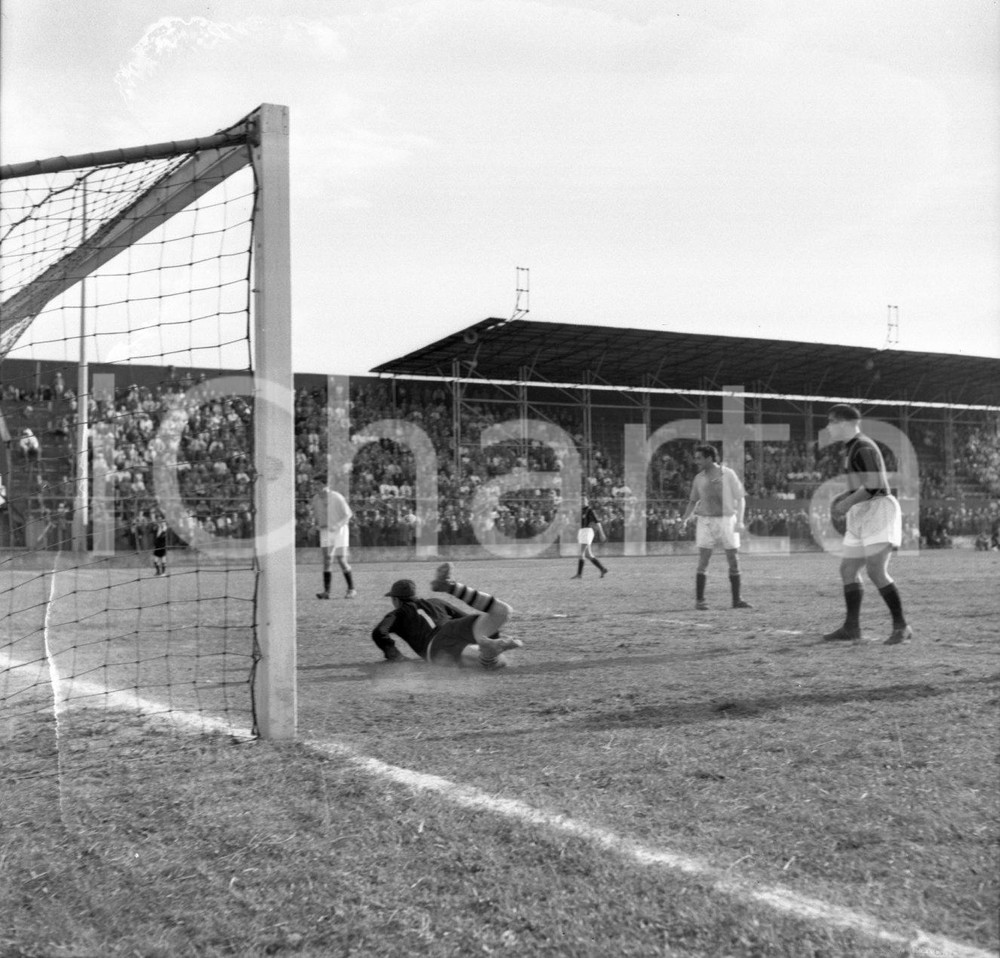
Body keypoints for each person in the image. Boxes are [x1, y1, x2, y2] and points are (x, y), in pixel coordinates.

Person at [824, 404, 912, 645]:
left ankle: (902, 626)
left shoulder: (862, 446)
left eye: (831, 421)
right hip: (862, 510)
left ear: (844, 422)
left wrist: (846, 502)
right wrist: (847, 500)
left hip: (878, 509)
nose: (828, 427)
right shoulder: (851, 448)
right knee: (847, 570)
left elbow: (876, 486)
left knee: (875, 569)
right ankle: (852, 627)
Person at [371, 565, 523, 669]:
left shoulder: (397, 614)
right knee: (503, 611)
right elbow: (466, 619)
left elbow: (379, 632)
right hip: (455, 627)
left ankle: (488, 653)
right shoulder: (436, 602)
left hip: (435, 648)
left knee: (491, 663)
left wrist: (395, 656)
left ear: (396, 600)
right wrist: (494, 632)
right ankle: (453, 587)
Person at [681, 443, 751, 610]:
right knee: (703, 560)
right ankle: (700, 601)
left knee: (733, 559)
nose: (696, 461)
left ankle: (736, 600)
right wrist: (684, 519)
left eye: (699, 458)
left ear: (709, 458)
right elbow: (693, 501)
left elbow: (740, 498)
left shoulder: (728, 474)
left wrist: (740, 520)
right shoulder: (699, 478)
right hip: (705, 521)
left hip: (727, 519)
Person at [311, 477, 356, 599]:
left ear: (326, 485)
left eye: (318, 484)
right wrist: (315, 526)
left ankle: (351, 589)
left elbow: (348, 514)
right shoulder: (315, 499)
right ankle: (326, 592)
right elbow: (316, 516)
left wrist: (337, 525)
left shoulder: (337, 497)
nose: (316, 487)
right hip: (325, 531)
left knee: (341, 560)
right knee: (327, 560)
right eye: (315, 484)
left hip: (340, 531)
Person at [572, 496, 609, 579]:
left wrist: (601, 533)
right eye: (580, 500)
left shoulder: (590, 510)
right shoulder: (581, 511)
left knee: (581, 553)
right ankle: (602, 569)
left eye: (583, 500)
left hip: (587, 531)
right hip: (582, 531)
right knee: (588, 555)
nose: (581, 501)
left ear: (587, 501)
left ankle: (579, 574)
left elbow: (597, 522)